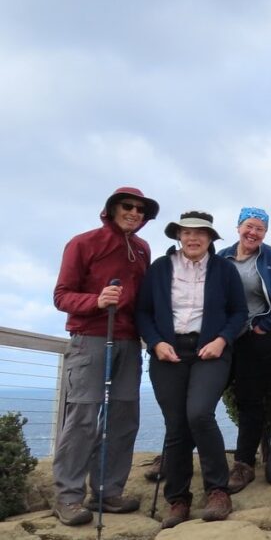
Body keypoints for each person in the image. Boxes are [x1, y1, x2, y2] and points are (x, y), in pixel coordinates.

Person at [51, 187, 159, 526]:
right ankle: (67, 497)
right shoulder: (83, 243)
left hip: (129, 341)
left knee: (124, 418)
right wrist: (95, 301)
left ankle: (107, 491)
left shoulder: (142, 249)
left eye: (141, 210)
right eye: (128, 206)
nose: (134, 213)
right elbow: (61, 295)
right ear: (112, 209)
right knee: (83, 418)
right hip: (91, 339)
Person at [135, 211, 248, 528]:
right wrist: (156, 342)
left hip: (209, 351)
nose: (193, 238)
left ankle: (217, 490)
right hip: (167, 352)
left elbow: (239, 312)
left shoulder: (224, 269)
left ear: (211, 238)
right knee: (176, 424)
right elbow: (143, 312)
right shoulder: (159, 269)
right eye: (187, 232)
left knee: (199, 413)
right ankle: (178, 499)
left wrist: (222, 340)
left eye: (201, 233)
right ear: (178, 236)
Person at [217, 207, 271, 494]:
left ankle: (243, 464)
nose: (253, 233)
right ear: (238, 226)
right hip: (224, 338)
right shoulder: (221, 257)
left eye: (260, 229)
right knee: (202, 395)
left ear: (265, 233)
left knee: (250, 400)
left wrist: (266, 323)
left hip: (258, 337)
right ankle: (178, 456)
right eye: (249, 226)